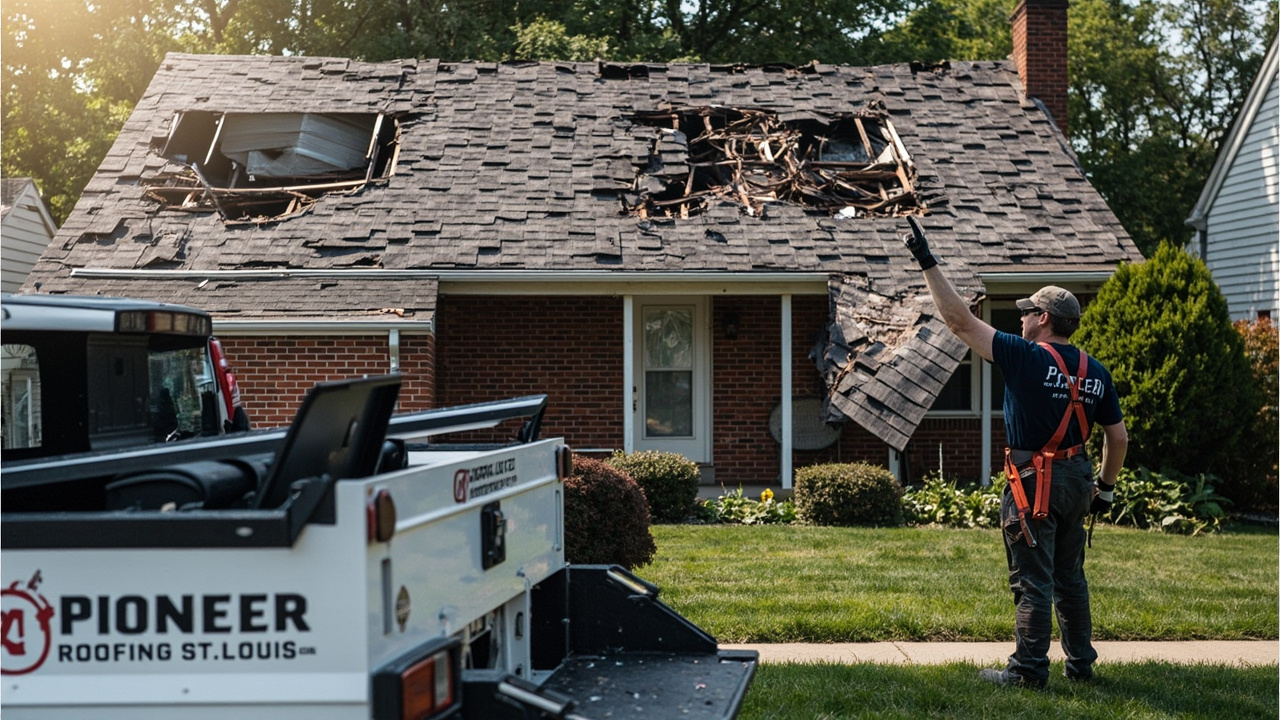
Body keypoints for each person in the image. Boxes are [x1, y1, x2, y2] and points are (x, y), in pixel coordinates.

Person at [902, 217, 1128, 689]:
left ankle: (1026, 672)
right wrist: (1104, 491)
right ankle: (1081, 667)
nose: (1021, 318)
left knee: (1032, 582)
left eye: (1027, 312)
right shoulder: (1096, 370)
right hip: (1078, 481)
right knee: (1071, 579)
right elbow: (1118, 437)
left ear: (1043, 319)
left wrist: (927, 261)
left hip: (1033, 484)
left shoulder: (1025, 356)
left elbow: (959, 321)